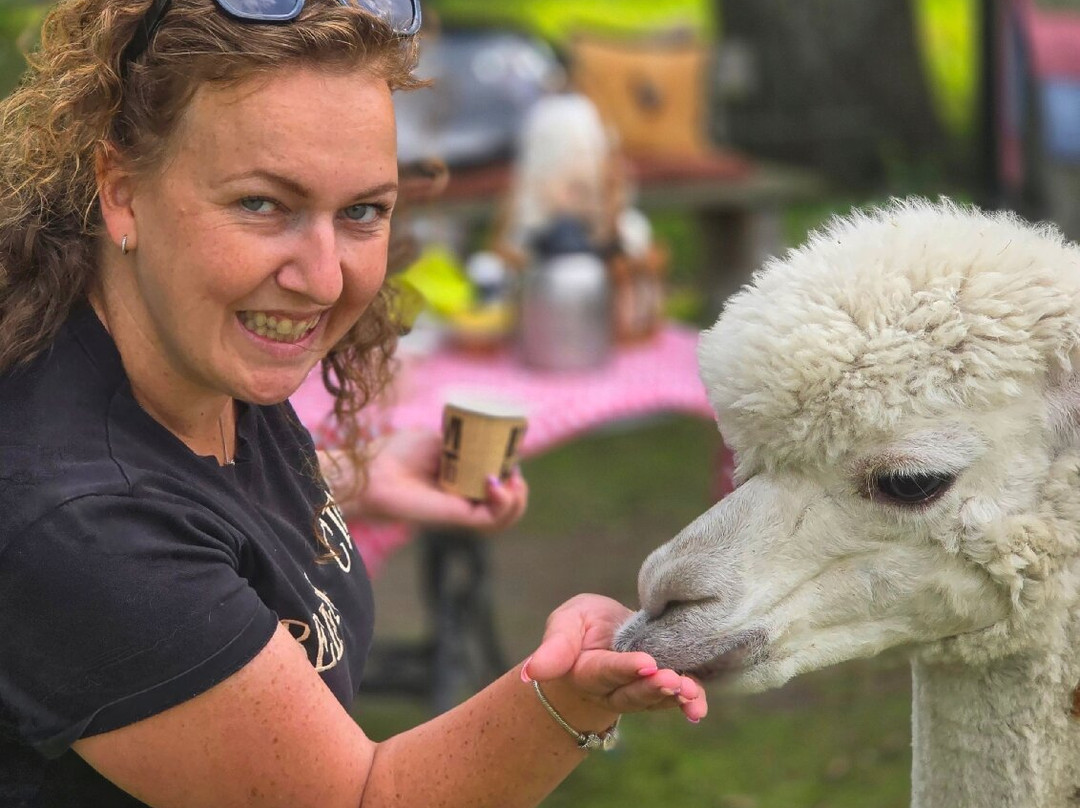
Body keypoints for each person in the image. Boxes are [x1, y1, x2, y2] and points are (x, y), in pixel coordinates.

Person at [0, 2, 709, 806]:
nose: (326, 279)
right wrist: (564, 699)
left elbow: (183, 495)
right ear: (121, 190)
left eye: (362, 212)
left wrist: (347, 477)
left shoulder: (179, 350)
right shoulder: (81, 524)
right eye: (263, 205)